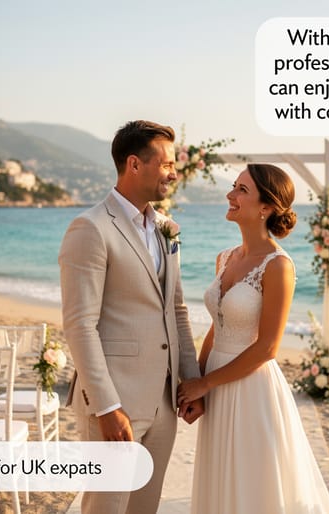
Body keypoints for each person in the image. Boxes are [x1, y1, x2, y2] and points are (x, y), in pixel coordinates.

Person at [59, 120, 203, 514]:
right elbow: (79, 324)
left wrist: (190, 380)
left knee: (145, 507)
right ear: (135, 164)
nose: (174, 172)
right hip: (115, 401)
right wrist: (106, 407)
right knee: (106, 507)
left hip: (163, 400)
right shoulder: (90, 228)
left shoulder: (167, 229)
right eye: (167, 163)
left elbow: (176, 309)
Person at [177, 163, 329, 513]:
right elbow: (217, 328)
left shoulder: (279, 266)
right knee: (222, 483)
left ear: (265, 207)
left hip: (252, 388)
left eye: (241, 190)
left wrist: (206, 384)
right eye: (233, 186)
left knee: (254, 487)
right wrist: (197, 381)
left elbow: (267, 347)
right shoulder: (223, 258)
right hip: (217, 383)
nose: (230, 195)